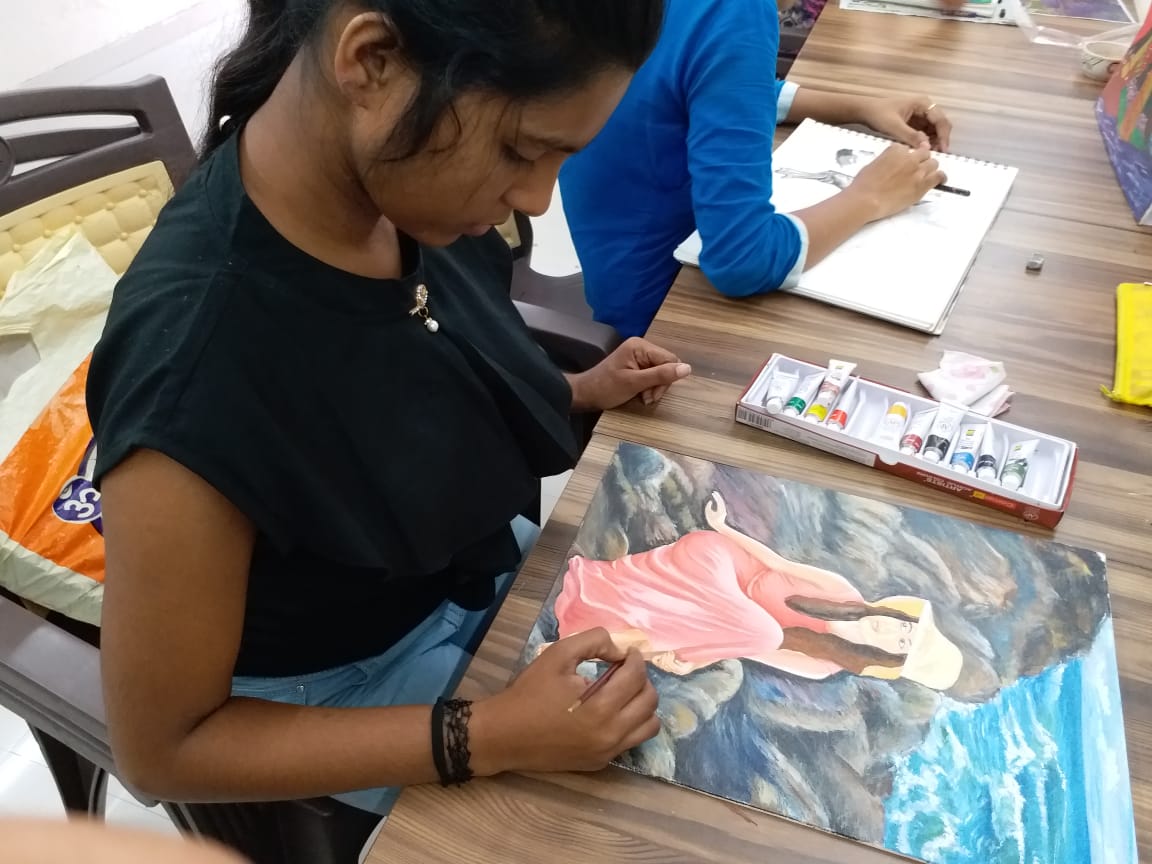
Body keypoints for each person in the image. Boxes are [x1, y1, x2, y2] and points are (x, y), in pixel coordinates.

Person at [87, 0, 683, 817]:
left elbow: (399, 376)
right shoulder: (195, 365)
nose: (538, 199)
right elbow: (162, 750)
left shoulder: (398, 196)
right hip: (334, 689)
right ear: (372, 62)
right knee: (643, 816)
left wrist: (572, 389)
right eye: (521, 150)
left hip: (459, 579)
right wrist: (487, 734)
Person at [559, 0, 955, 338]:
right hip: (662, 316)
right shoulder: (737, 10)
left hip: (611, 273)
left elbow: (709, 81)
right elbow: (743, 259)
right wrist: (870, 196)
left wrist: (859, 107)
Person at [544, 492, 964, 690]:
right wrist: (723, 527)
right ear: (896, 612)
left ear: (890, 659)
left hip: (714, 616)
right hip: (720, 566)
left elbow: (743, 647)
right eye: (904, 626)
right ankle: (583, 648)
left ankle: (577, 647)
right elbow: (776, 563)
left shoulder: (823, 666)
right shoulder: (842, 591)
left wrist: (690, 663)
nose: (892, 631)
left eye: (902, 644)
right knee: (761, 631)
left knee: (751, 634)